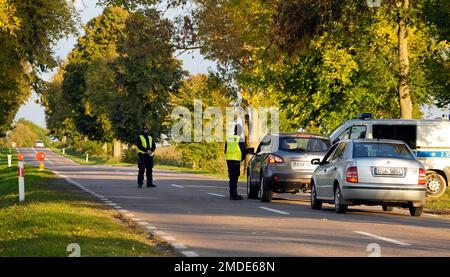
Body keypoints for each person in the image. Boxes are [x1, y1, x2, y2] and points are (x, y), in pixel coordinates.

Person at [224, 124, 246, 200]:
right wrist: (242, 159)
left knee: (231, 177)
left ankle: (232, 193)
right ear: (240, 131)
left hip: (229, 160)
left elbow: (225, 150)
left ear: (234, 130)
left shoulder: (229, 139)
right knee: (235, 177)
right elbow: (243, 151)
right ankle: (234, 195)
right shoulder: (240, 139)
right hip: (236, 160)